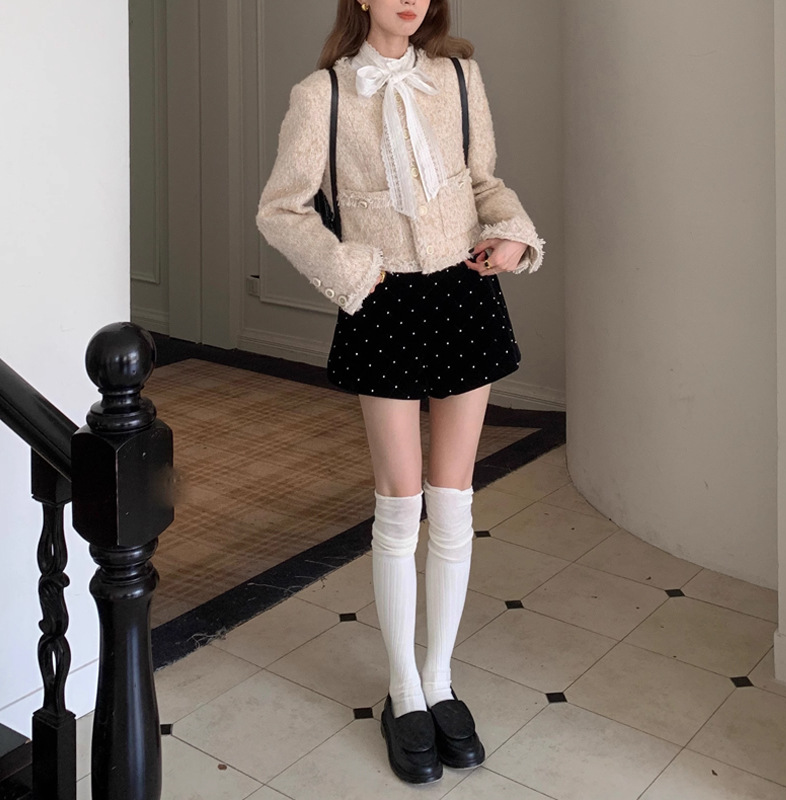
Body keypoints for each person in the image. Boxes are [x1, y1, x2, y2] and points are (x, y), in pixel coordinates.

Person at [256, 0, 543, 785]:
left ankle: (440, 679)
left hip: (464, 295)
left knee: (453, 502)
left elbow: (484, 182)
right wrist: (352, 270)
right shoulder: (321, 95)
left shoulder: (459, 76)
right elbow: (280, 210)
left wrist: (512, 233)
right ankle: (404, 690)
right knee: (399, 503)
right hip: (383, 306)